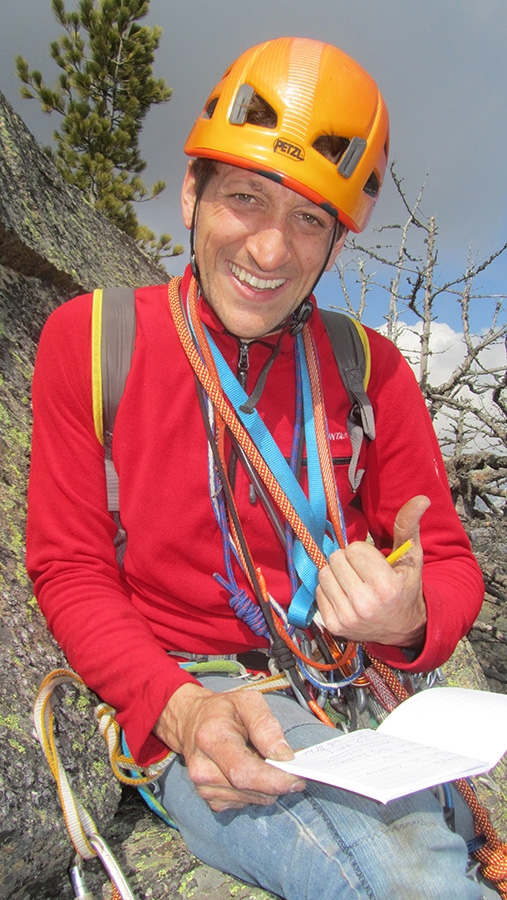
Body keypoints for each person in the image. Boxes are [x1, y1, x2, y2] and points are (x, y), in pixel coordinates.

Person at [27, 37, 488, 899]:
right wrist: (173, 706)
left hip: (351, 681)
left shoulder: (368, 371)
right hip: (197, 688)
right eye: (245, 197)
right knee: (409, 882)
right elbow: (70, 566)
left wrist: (407, 615)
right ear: (191, 193)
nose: (271, 252)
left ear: (335, 245)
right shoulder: (92, 343)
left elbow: (454, 565)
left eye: (310, 218)